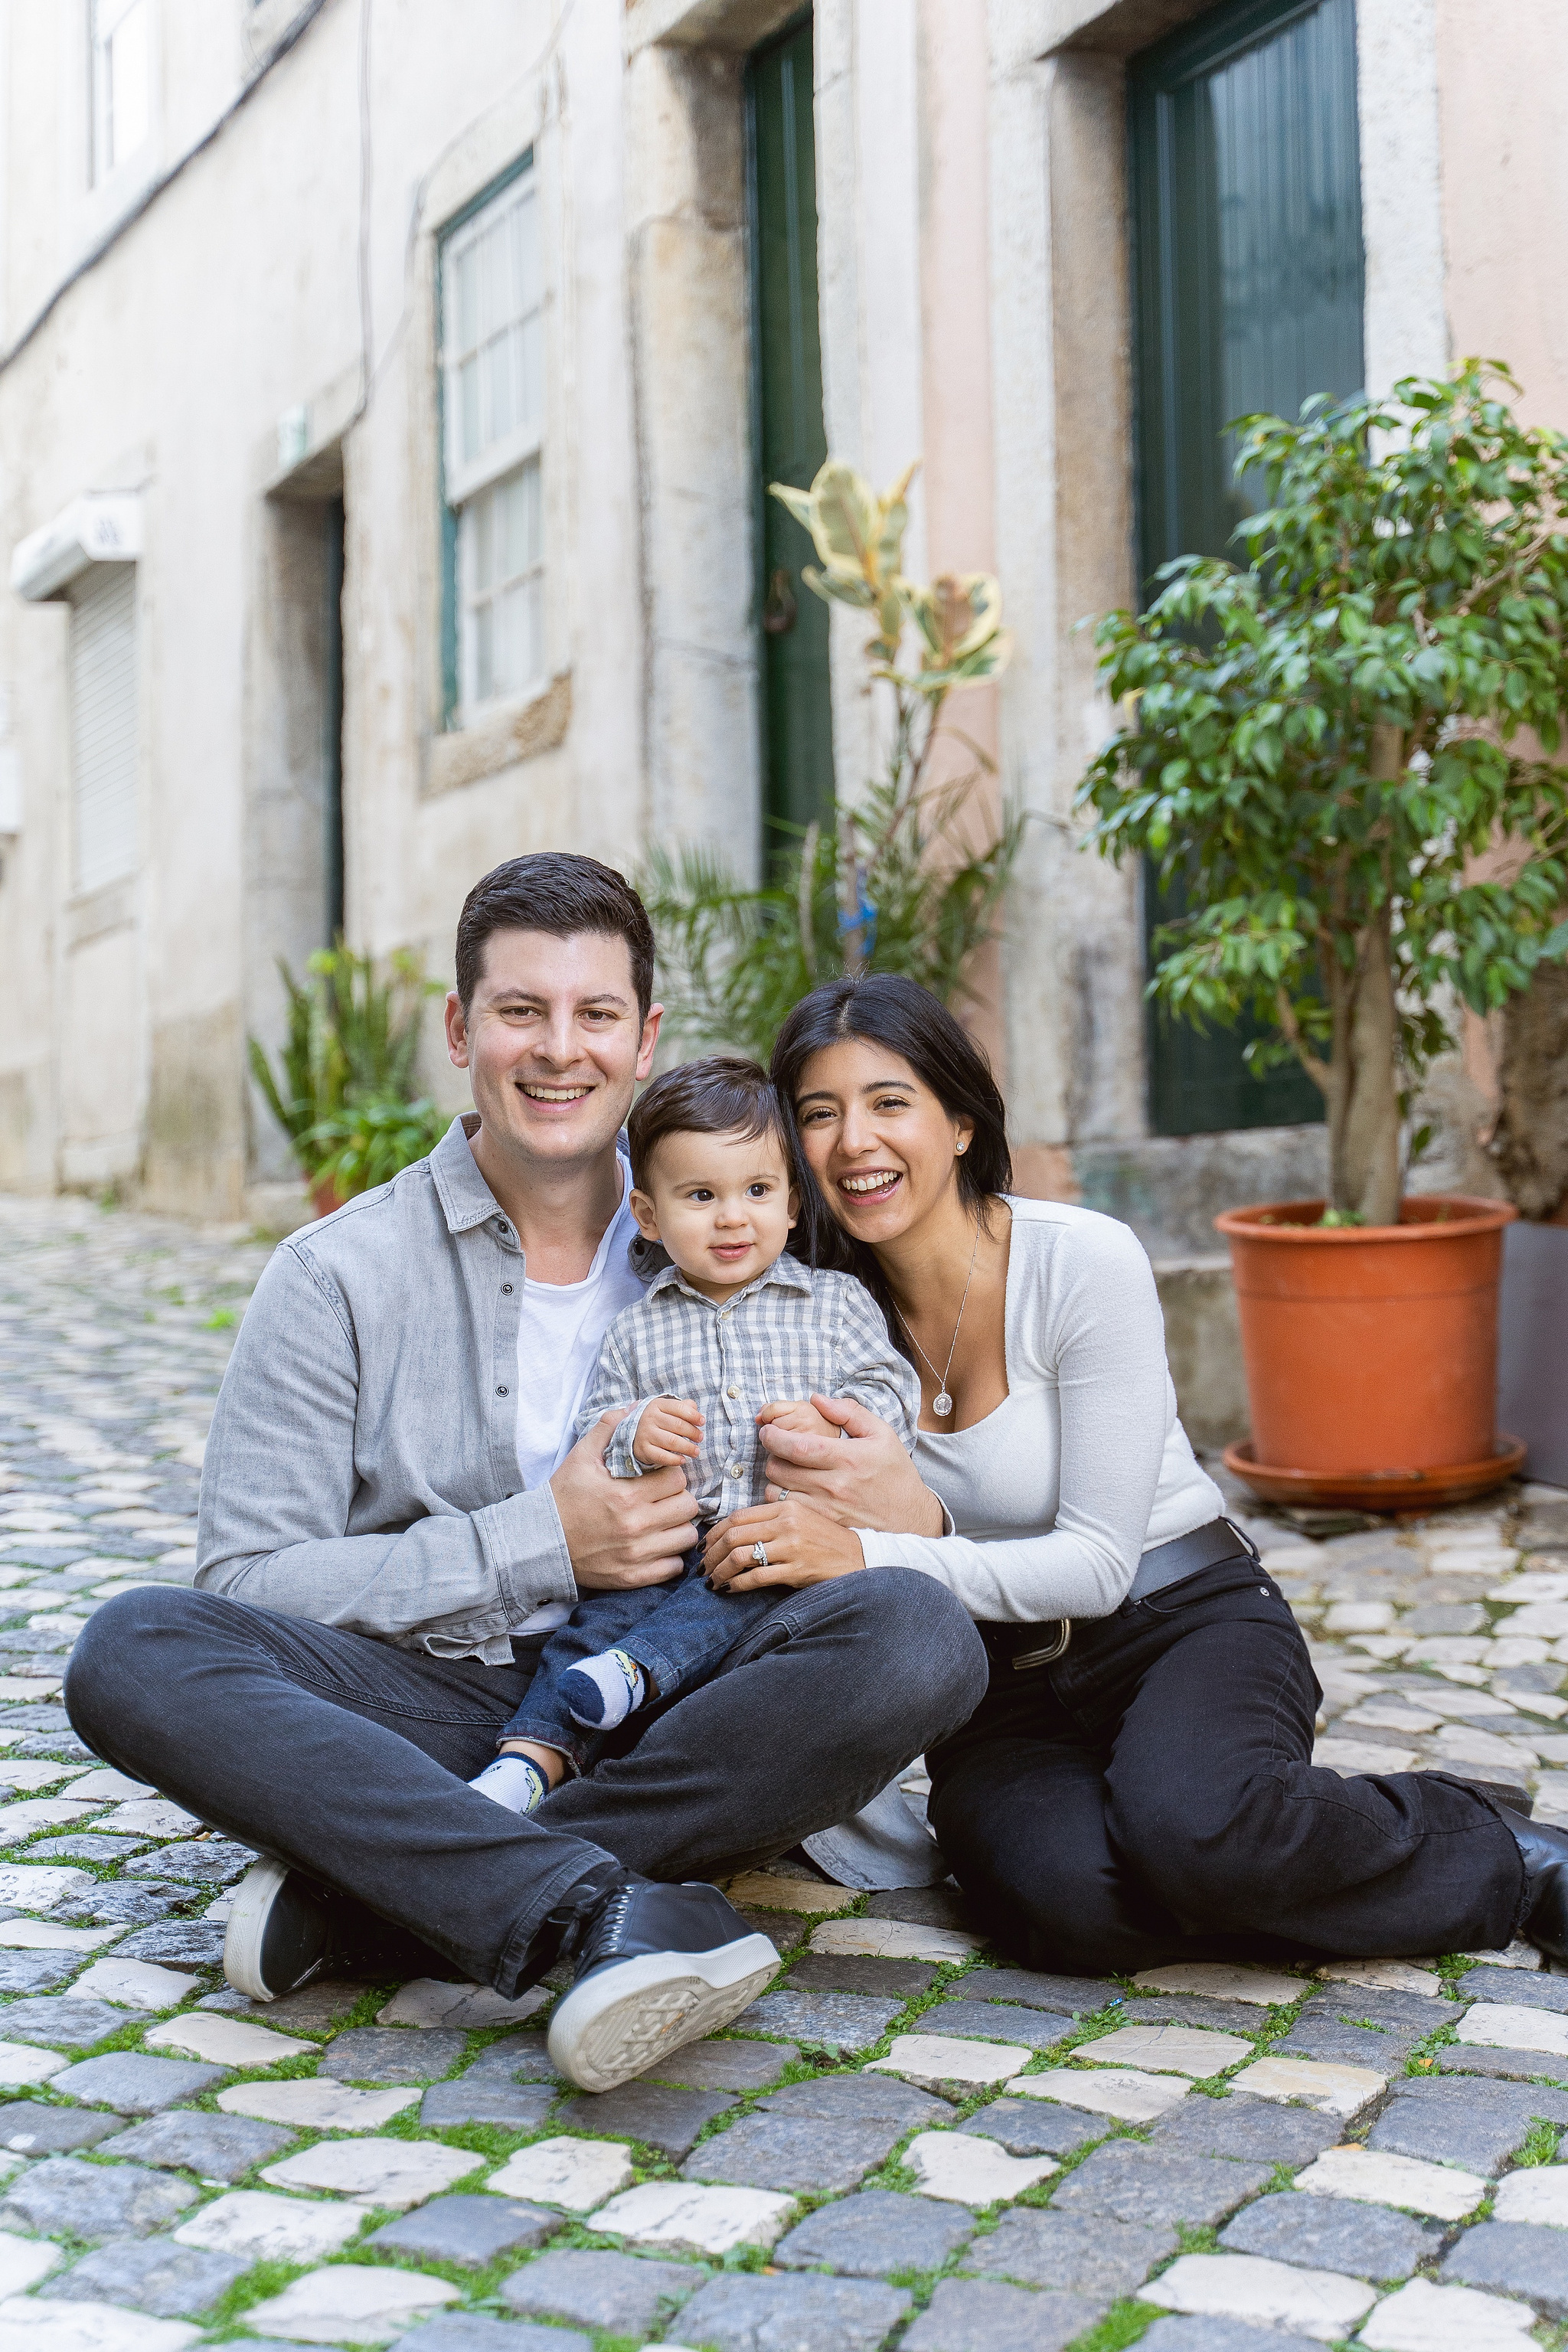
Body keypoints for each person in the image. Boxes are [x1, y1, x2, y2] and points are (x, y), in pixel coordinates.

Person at [60, 861, 988, 2092]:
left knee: (920, 1636)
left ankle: (386, 1892)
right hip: (444, 1708)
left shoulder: (744, 1215)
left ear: (644, 1038)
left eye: (596, 1013)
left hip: (700, 1690)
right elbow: (246, 1582)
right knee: (132, 1649)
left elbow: (906, 1459)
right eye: (519, 1011)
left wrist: (909, 1509)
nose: (560, 1050)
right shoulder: (335, 1276)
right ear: (461, 1030)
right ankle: (600, 1906)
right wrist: (542, 1541)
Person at [694, 972, 1564, 1972]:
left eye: (889, 1102)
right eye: (818, 1113)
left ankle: (1493, 1848)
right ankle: (1286, 1843)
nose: (855, 1141)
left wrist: (883, 1545)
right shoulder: (806, 1316)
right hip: (1000, 1692)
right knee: (1073, 1909)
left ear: (962, 1123)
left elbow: (1098, 1565)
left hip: (1178, 1617)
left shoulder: (1081, 1261)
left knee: (1197, 1834)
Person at [469, 1054, 919, 1813]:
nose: (732, 1217)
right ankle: (529, 1760)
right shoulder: (637, 1328)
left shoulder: (835, 1304)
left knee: (742, 1588)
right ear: (648, 1216)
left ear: (792, 1205)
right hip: (666, 1546)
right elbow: (595, 1431)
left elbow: (892, 1393)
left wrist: (834, 1422)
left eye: (756, 1192)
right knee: (592, 1625)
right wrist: (636, 1434)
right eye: (701, 1196)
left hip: (775, 1545)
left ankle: (636, 1675)